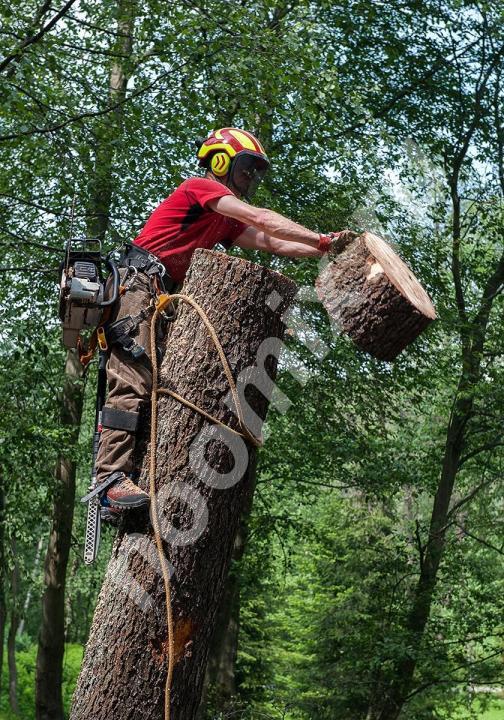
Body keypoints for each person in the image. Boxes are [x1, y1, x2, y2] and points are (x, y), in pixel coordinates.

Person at [93, 127, 357, 521]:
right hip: (137, 285)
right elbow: (261, 218)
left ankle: (133, 474)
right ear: (221, 161)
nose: (251, 178)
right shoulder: (199, 188)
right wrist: (321, 240)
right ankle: (110, 480)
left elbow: (273, 242)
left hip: (160, 296)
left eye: (256, 172)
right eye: (247, 168)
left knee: (158, 388)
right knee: (133, 377)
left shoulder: (222, 220)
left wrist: (333, 250)